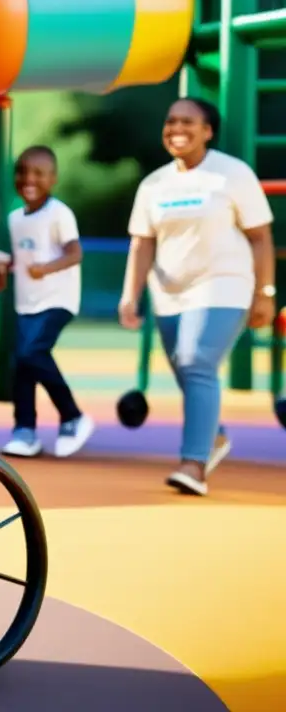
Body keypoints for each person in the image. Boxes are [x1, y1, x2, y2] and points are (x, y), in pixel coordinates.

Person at [120, 97, 275, 496]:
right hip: (170, 294)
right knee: (187, 371)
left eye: (188, 122)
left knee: (195, 361)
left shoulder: (232, 174)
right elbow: (142, 245)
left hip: (225, 284)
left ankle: (194, 464)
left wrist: (265, 293)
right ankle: (215, 436)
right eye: (170, 121)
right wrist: (130, 296)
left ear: (208, 131)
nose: (176, 128)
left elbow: (260, 237)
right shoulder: (154, 184)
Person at [0, 146, 94, 458]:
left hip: (57, 300)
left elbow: (75, 252)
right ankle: (25, 432)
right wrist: (1, 268)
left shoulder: (59, 213)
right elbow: (19, 259)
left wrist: (46, 269)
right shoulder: (15, 219)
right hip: (27, 303)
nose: (29, 179)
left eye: (38, 173)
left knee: (31, 353)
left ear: (53, 178)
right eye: (22, 172)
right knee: (22, 365)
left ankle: (73, 417)